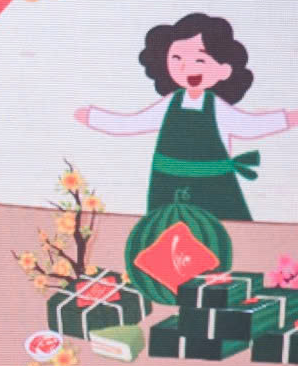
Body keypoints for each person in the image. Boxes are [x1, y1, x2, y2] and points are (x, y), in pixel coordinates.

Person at [76, 13, 288, 222]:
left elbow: (249, 125)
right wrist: (94, 117)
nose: (186, 67)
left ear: (224, 70)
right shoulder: (170, 103)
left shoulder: (217, 107)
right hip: (168, 184)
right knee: (167, 230)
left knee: (218, 231)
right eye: (177, 58)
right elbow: (132, 123)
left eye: (200, 60)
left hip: (213, 185)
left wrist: (286, 119)